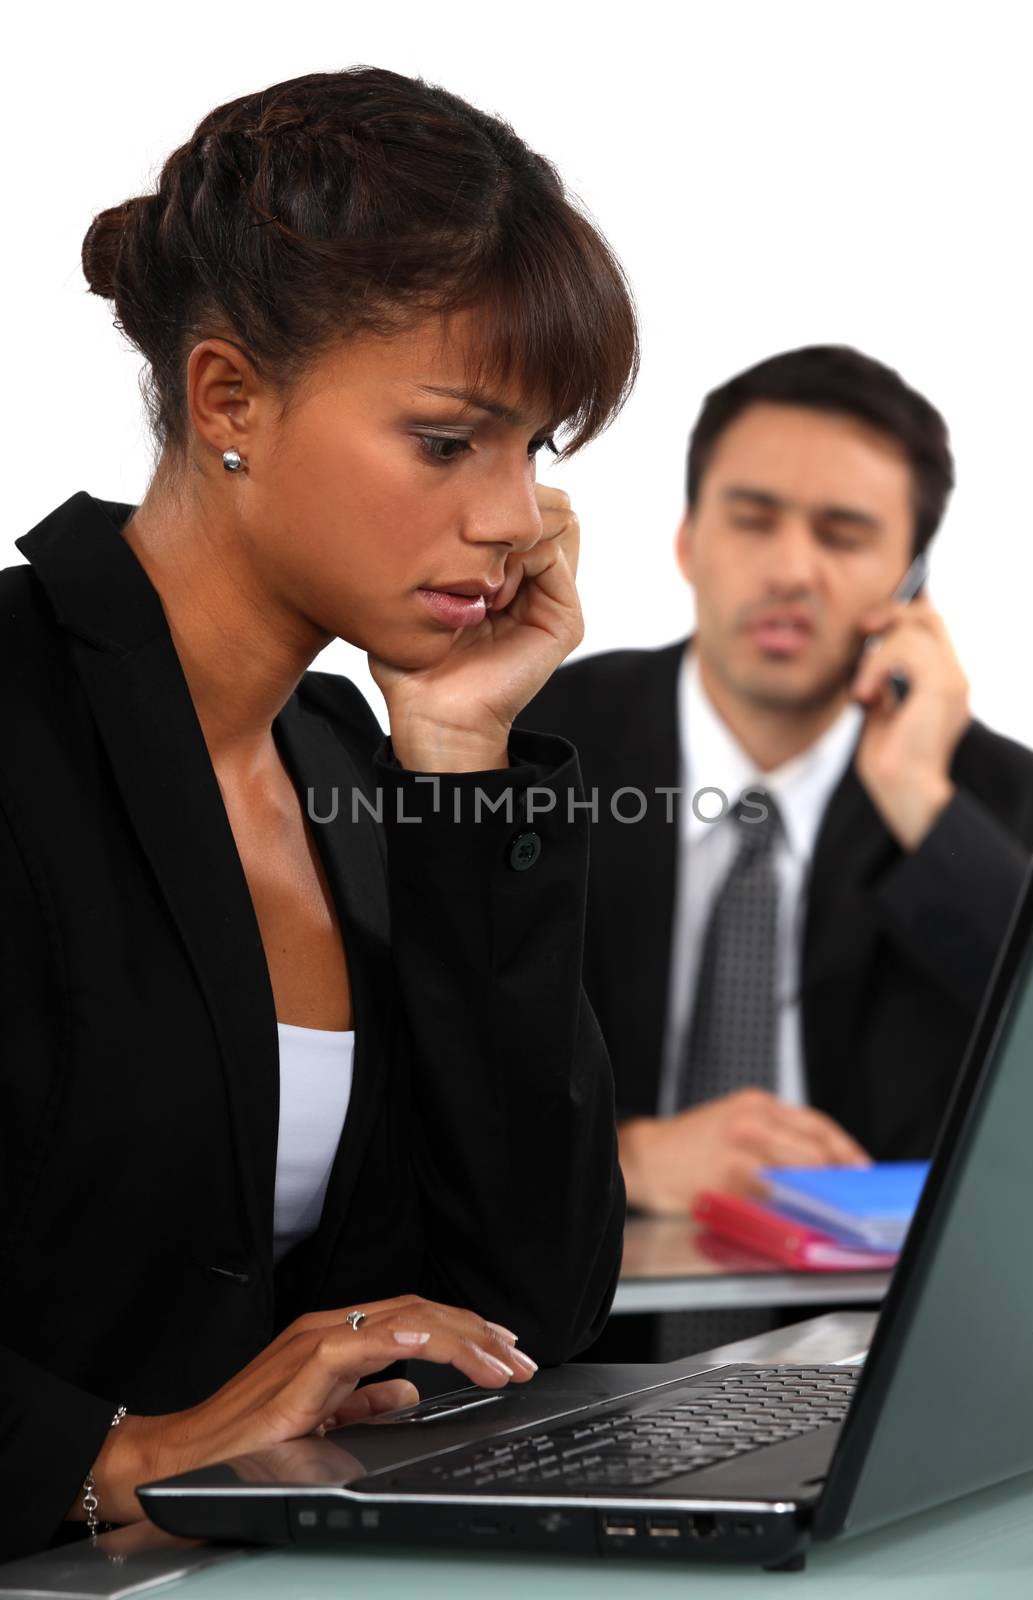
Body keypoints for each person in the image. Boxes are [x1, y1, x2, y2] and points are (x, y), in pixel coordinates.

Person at [0, 67, 638, 1562]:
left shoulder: (352, 766)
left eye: (530, 448)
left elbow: (530, 1307)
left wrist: (462, 758)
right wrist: (108, 1456)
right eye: (445, 440)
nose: (510, 518)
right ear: (229, 396)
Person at [522, 346, 1033, 1229]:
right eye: (752, 520)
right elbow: (419, 1072)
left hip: (867, 1339)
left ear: (911, 582)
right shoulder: (537, 749)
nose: (790, 571)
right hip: (567, 1335)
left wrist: (924, 807)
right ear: (688, 541)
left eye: (842, 536)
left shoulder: (1006, 806)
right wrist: (629, 1154)